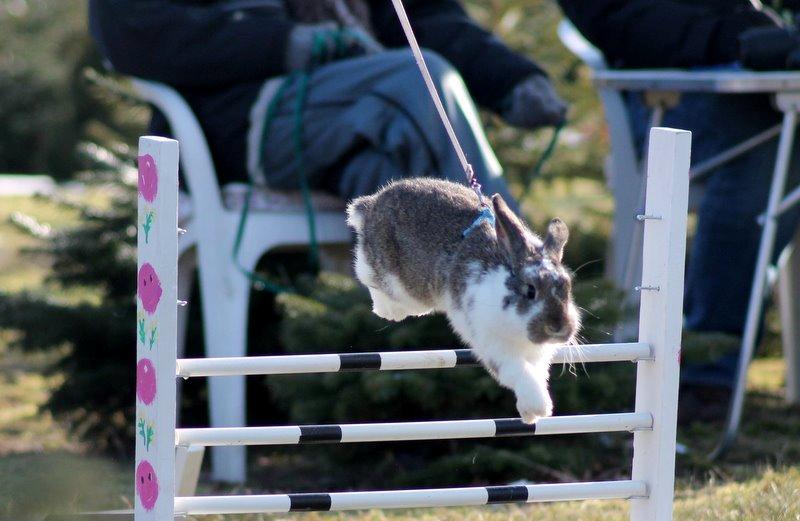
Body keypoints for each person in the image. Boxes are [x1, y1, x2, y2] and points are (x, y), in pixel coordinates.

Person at [558, 0, 800, 423]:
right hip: (661, 90)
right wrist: (735, 36)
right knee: (769, 140)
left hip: (757, 74)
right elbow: (612, 21)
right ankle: (709, 370)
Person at [89, 0, 567, 208]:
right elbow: (128, 30)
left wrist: (511, 78)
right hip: (233, 122)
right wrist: (284, 44)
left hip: (344, 128)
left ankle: (428, 378)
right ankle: (514, 273)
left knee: (396, 189)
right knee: (409, 81)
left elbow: (419, 16)